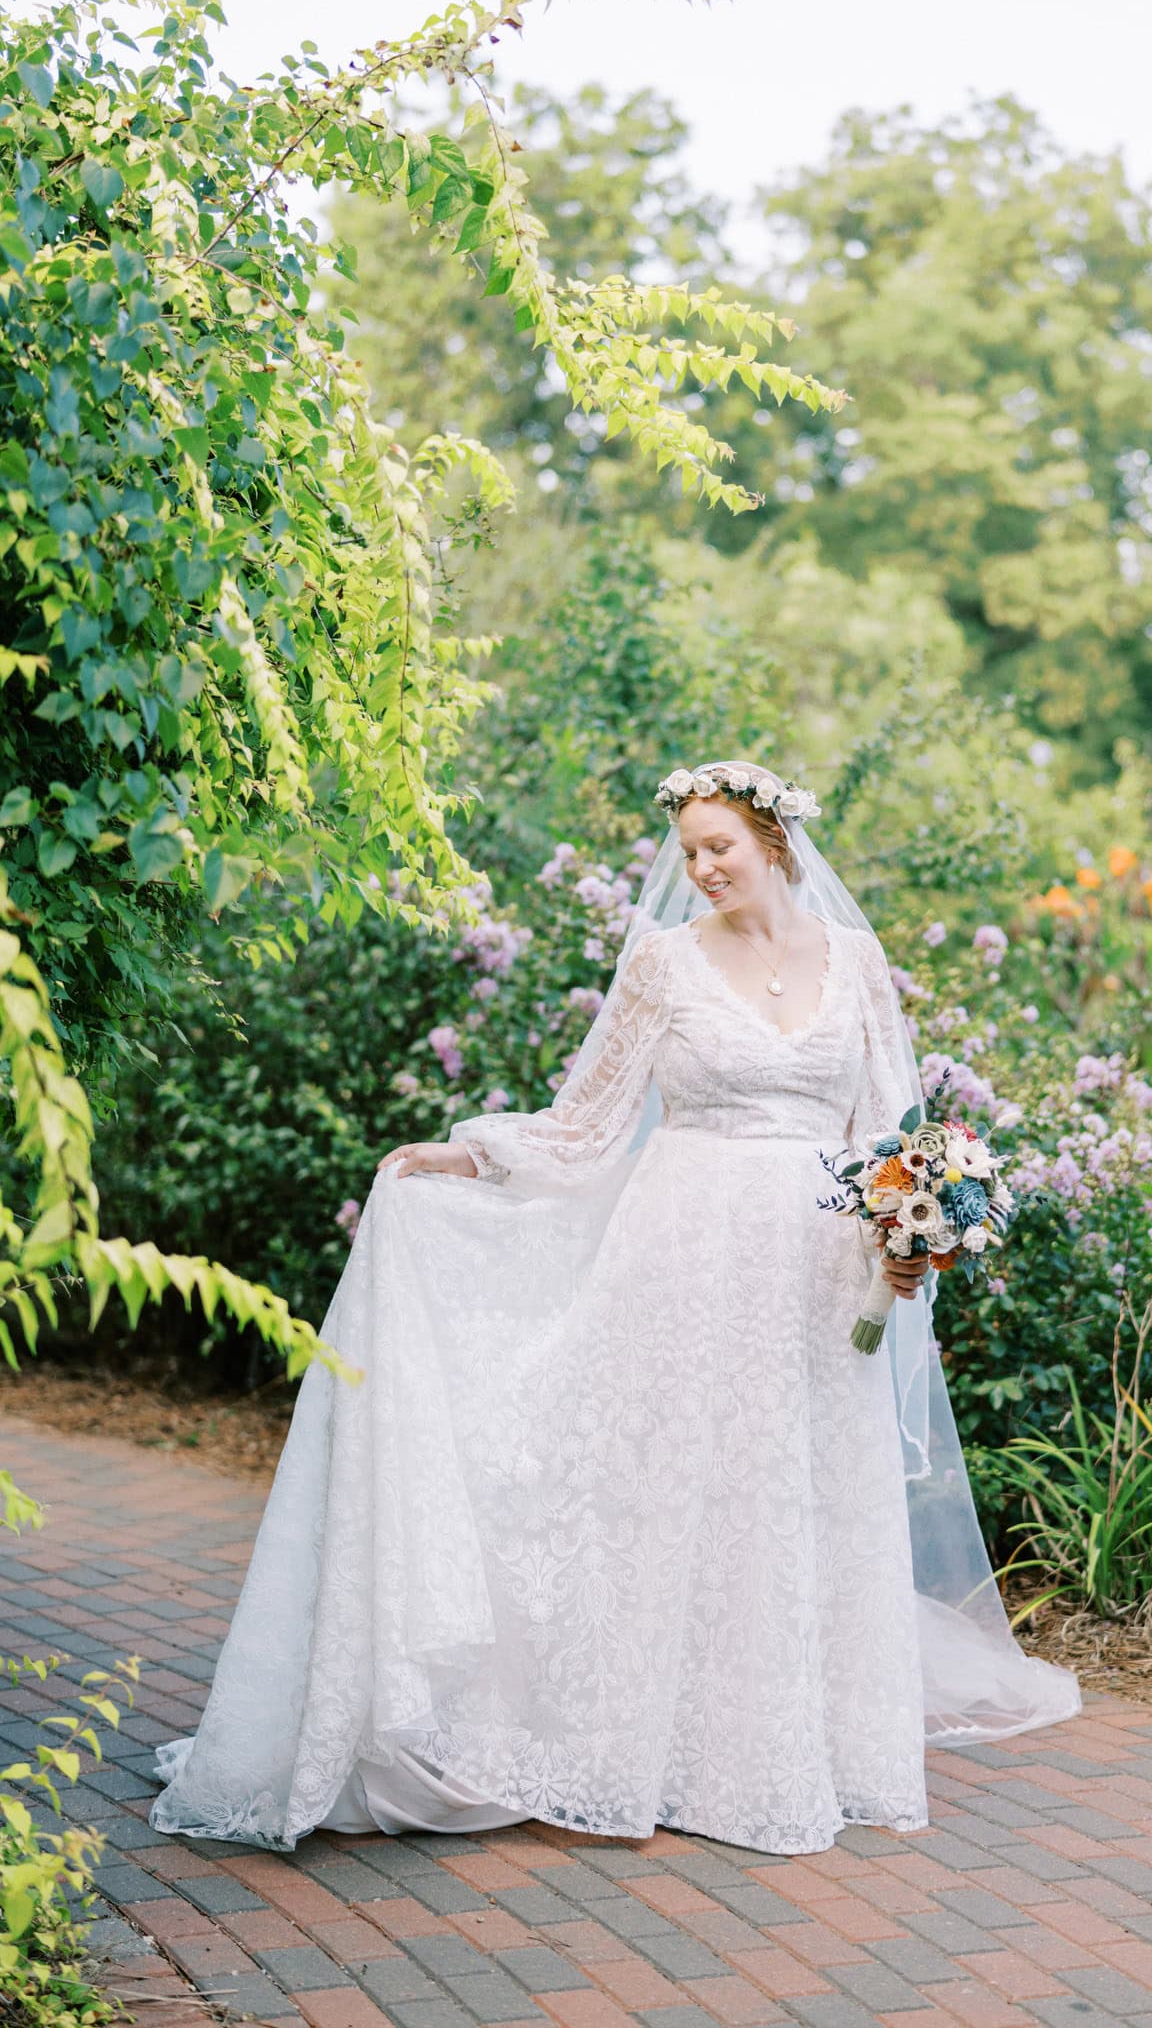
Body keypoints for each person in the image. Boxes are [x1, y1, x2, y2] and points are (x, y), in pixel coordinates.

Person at [149, 757, 1080, 1857]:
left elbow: (888, 1127)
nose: (700, 868)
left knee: (790, 1492)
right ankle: (630, 1736)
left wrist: (911, 1229)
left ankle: (774, 1744)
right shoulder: (662, 963)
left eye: (718, 845)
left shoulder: (858, 964)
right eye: (687, 851)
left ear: (773, 843)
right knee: (659, 1486)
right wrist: (469, 1154)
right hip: (678, 1253)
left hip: (816, 1266)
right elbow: (587, 1118)